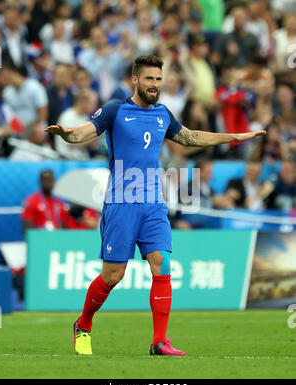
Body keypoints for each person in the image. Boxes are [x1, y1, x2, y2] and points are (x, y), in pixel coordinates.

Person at [45, 55, 266, 356]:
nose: (155, 85)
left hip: (152, 203)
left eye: (159, 79)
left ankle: (159, 342)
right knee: (113, 276)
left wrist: (234, 137)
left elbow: (190, 137)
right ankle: (83, 325)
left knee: (161, 262)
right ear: (135, 80)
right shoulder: (115, 110)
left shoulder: (163, 114)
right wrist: (69, 135)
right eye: (149, 79)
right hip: (122, 203)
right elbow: (86, 131)